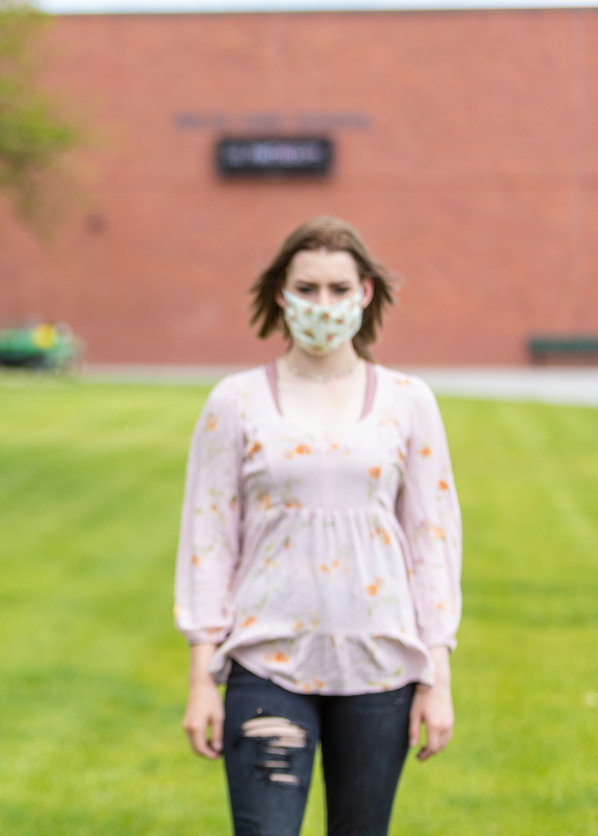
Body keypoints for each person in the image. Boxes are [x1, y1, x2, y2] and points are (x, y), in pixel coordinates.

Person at [175, 217, 461, 836]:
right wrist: (202, 678)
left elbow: (431, 541)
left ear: (365, 293)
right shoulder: (236, 401)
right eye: (307, 288)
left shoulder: (408, 401)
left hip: (379, 665)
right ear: (282, 293)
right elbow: (209, 539)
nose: (323, 304)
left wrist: (436, 675)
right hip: (266, 662)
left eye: (338, 288)